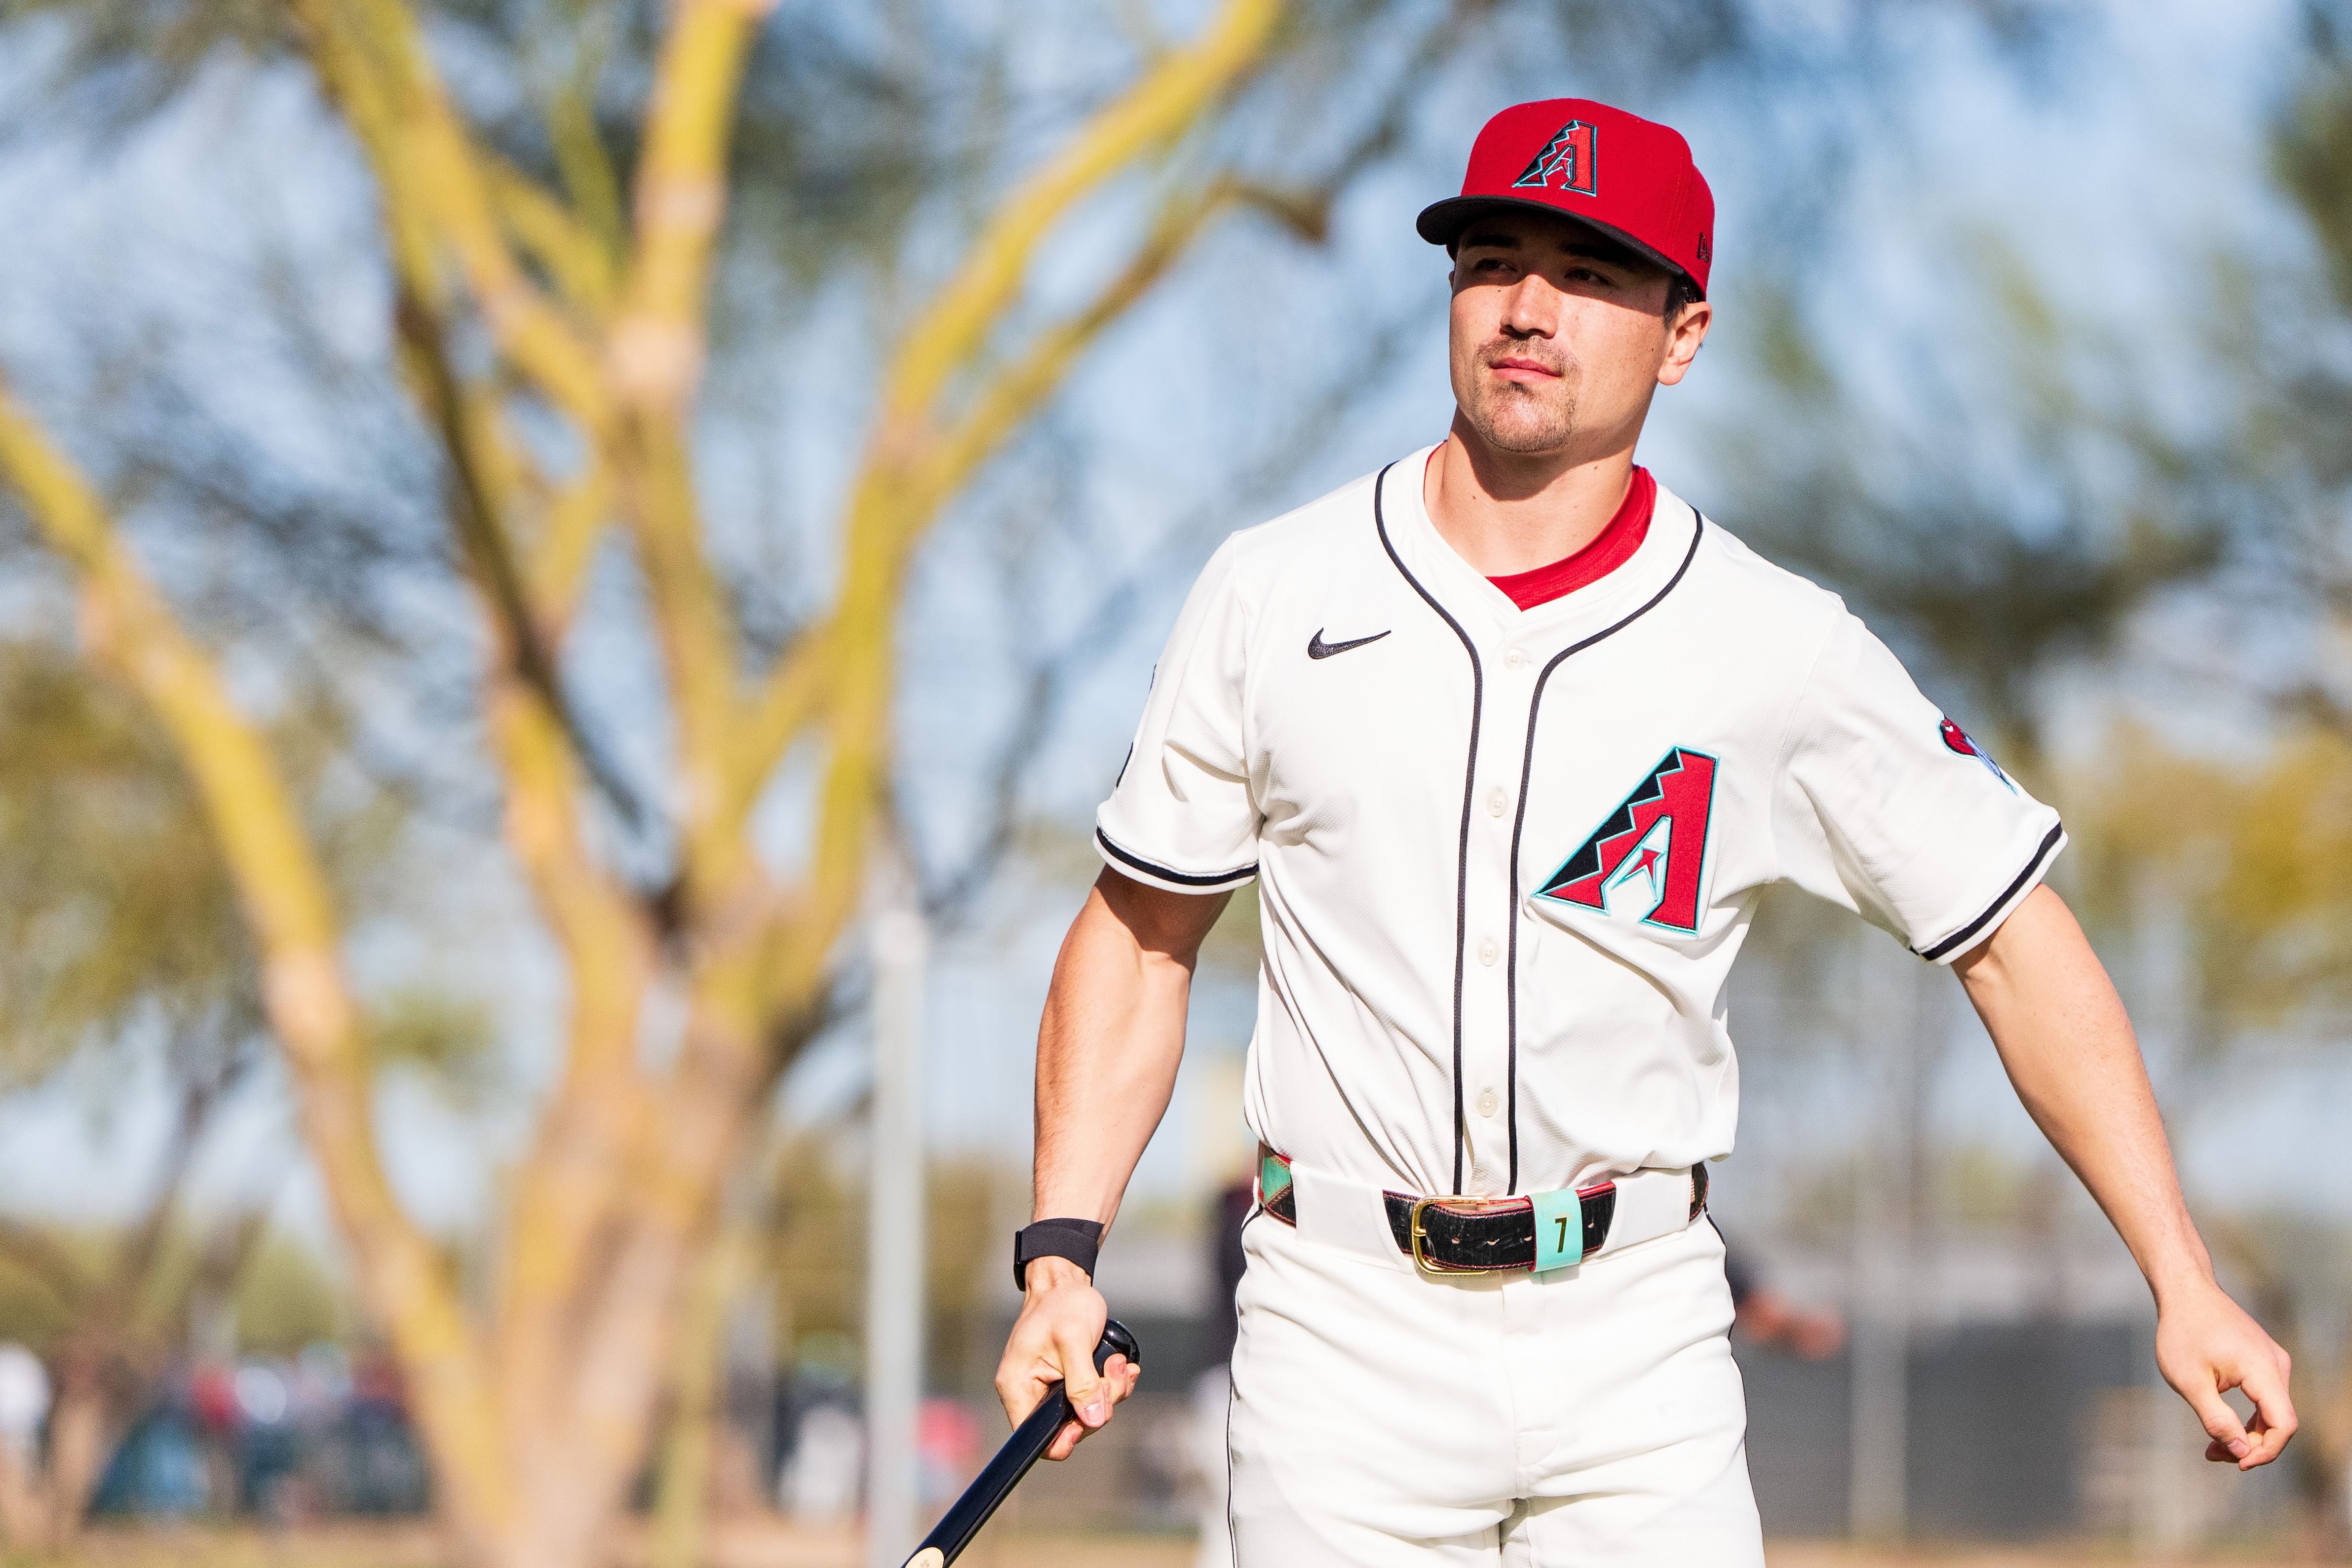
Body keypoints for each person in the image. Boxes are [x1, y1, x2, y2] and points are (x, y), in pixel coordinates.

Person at [993, 97, 2294, 1565]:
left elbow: (2012, 943)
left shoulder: (1774, 644)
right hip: (1341, 1321)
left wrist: (2179, 1275)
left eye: (1593, 271)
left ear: (1684, 334)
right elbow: (1139, 931)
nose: (1530, 306)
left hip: (1635, 1336)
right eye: (1493, 257)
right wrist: (1061, 1253)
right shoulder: (1272, 590)